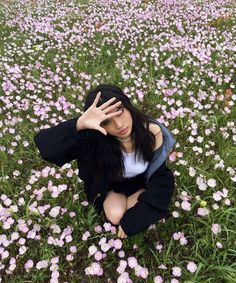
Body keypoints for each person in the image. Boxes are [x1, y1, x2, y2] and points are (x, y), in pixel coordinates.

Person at [34, 84, 176, 238]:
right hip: (110, 184)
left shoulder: (150, 132)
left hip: (141, 183)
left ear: (128, 106)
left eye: (120, 112)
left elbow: (161, 178)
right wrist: (78, 124)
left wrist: (135, 220)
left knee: (135, 213)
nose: (119, 125)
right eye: (107, 121)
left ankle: (135, 205)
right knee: (116, 216)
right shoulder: (95, 136)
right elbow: (47, 148)